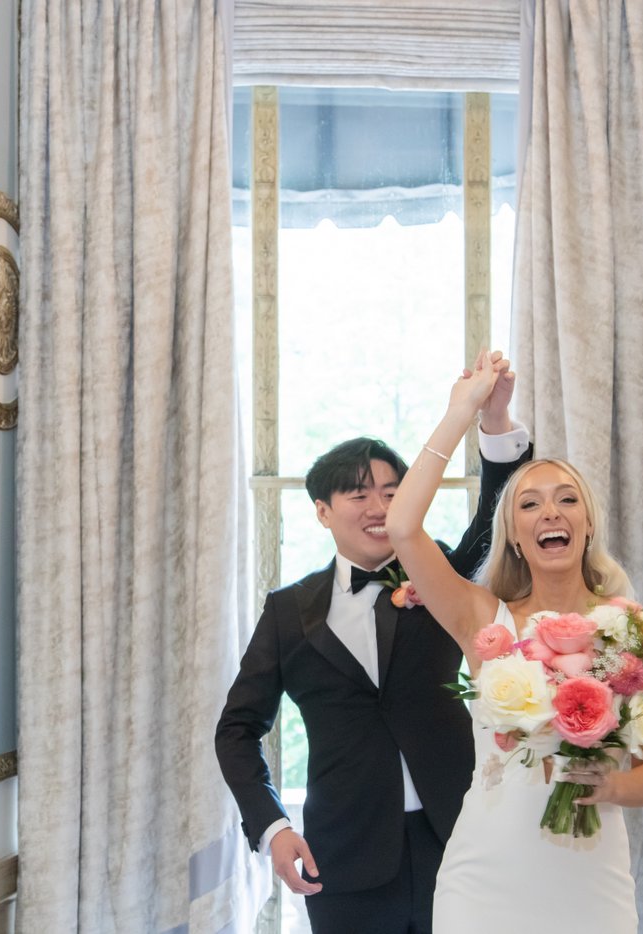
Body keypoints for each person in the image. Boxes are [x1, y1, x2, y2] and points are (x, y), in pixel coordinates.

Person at [214, 356, 532, 934]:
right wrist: (273, 826)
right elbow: (237, 729)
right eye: (359, 494)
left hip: (460, 840)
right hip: (344, 858)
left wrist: (496, 419)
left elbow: (494, 517)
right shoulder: (288, 611)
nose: (380, 507)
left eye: (392, 490)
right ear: (321, 511)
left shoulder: (438, 578)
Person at [385, 351, 643, 934]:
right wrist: (461, 411)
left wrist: (608, 782)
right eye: (530, 504)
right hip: (484, 878)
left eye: (566, 499)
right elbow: (402, 528)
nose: (550, 513)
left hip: (590, 882)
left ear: (587, 523)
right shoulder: (483, 620)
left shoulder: (635, 632)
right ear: (514, 534)